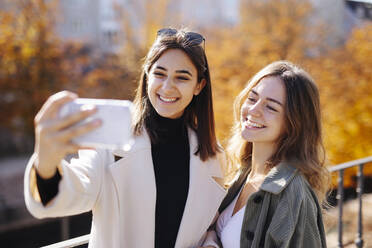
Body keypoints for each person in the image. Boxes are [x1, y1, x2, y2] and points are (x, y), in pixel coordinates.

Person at [24, 28, 227, 248]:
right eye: (159, 73)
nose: (167, 87)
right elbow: (71, 193)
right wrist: (46, 161)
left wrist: (210, 244)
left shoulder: (214, 155)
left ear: (199, 86)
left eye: (182, 77)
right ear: (147, 75)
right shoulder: (110, 141)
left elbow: (209, 226)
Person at [201, 61, 330, 248]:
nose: (253, 111)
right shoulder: (243, 173)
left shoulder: (292, 193)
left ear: (294, 124)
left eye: (271, 107)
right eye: (252, 99)